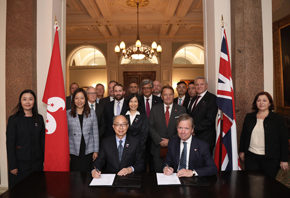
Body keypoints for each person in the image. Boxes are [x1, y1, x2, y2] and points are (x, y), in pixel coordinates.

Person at [239, 92, 289, 178]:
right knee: (251, 183)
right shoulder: (249, 117)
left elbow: (284, 140)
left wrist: (284, 159)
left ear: (270, 103)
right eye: (258, 100)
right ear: (256, 103)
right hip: (251, 157)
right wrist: (242, 151)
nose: (261, 103)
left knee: (267, 185)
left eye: (264, 100)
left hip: (271, 159)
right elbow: (244, 136)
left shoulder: (278, 119)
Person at [6, 90, 45, 188]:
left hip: (37, 164)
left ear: (34, 101)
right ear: (20, 101)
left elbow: (43, 141)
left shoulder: (39, 118)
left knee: (36, 191)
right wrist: (12, 165)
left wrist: (45, 161)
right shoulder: (14, 119)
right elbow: (10, 144)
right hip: (19, 164)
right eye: (24, 99)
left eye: (30, 99)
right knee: (19, 192)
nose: (27, 102)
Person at [149, 85, 187, 172]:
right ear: (162, 96)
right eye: (165, 94)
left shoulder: (181, 109)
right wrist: (159, 140)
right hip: (157, 148)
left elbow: (183, 128)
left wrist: (170, 141)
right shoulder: (155, 109)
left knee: (173, 173)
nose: (168, 96)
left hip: (175, 146)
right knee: (158, 173)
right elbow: (150, 126)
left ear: (173, 95)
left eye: (170, 94)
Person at [67, 88, 99, 172]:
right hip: (73, 149)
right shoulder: (68, 114)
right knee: (75, 174)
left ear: (85, 99)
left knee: (87, 174)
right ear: (73, 100)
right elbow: (66, 134)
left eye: (82, 98)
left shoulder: (92, 113)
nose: (79, 101)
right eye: (76, 98)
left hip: (88, 148)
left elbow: (95, 132)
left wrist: (96, 151)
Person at [189, 77, 218, 156]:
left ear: (206, 86)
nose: (199, 86)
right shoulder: (193, 99)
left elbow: (210, 119)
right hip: (193, 138)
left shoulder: (212, 98)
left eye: (201, 84)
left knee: (205, 165)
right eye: (197, 84)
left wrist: (194, 129)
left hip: (206, 139)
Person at [139, 79, 162, 172]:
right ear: (141, 89)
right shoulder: (137, 100)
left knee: (154, 162)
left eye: (148, 88)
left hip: (155, 136)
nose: (146, 90)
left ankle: (154, 182)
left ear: (152, 89)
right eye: (144, 88)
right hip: (141, 136)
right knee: (142, 160)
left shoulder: (159, 100)